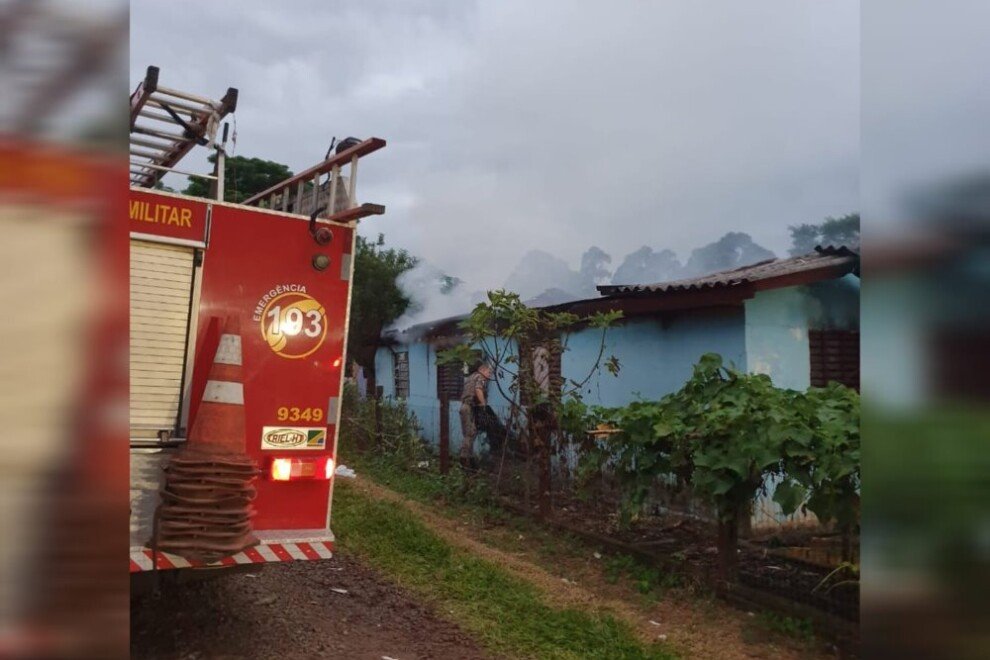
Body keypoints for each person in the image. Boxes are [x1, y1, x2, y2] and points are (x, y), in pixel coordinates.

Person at [459, 362, 492, 467]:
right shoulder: (479, 377)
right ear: (482, 370)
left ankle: (469, 458)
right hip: (469, 408)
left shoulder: (470, 377)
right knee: (470, 433)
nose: (490, 374)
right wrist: (483, 404)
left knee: (470, 433)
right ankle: (464, 458)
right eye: (489, 372)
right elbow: (478, 389)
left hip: (465, 407)